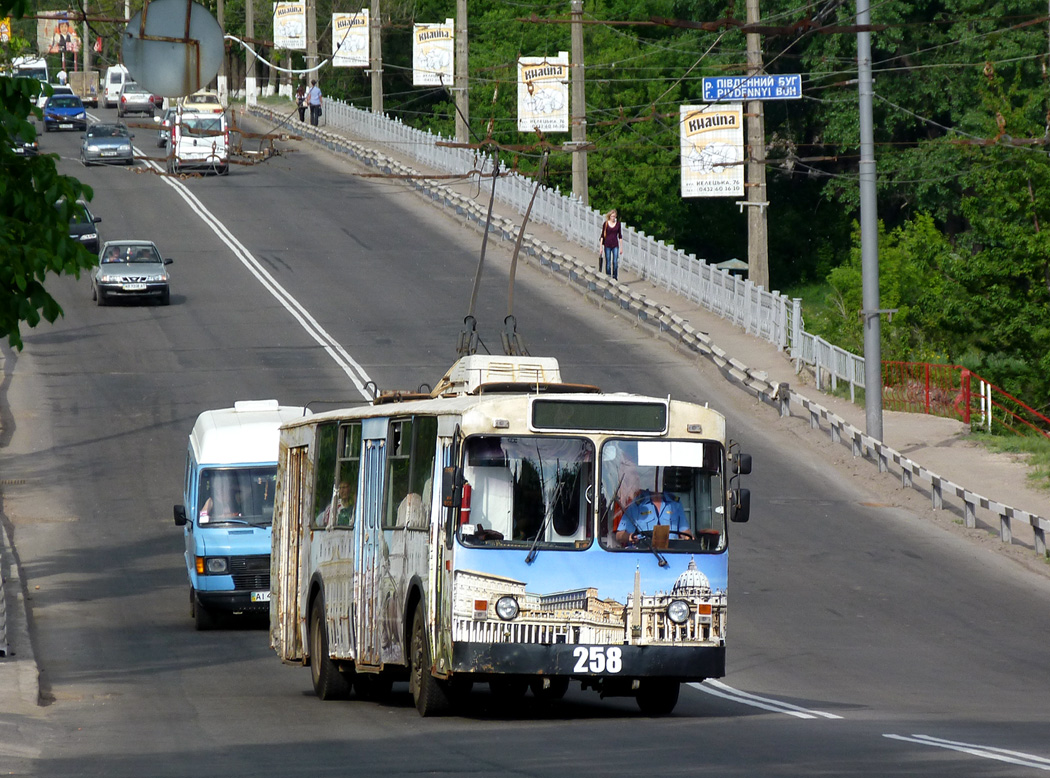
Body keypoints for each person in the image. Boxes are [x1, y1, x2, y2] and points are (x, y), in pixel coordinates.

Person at [615, 488, 692, 546]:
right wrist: (629, 536)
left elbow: (685, 532)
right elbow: (619, 536)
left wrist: (688, 537)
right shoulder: (637, 504)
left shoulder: (675, 503)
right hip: (643, 554)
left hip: (671, 555)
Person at [599, 209, 623, 280]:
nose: (613, 218)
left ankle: (615, 277)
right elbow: (602, 236)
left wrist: (621, 247)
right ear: (609, 216)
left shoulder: (618, 224)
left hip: (615, 245)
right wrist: (601, 247)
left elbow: (620, 236)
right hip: (607, 245)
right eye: (612, 216)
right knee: (608, 262)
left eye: (614, 216)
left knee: (615, 262)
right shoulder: (606, 224)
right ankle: (608, 277)